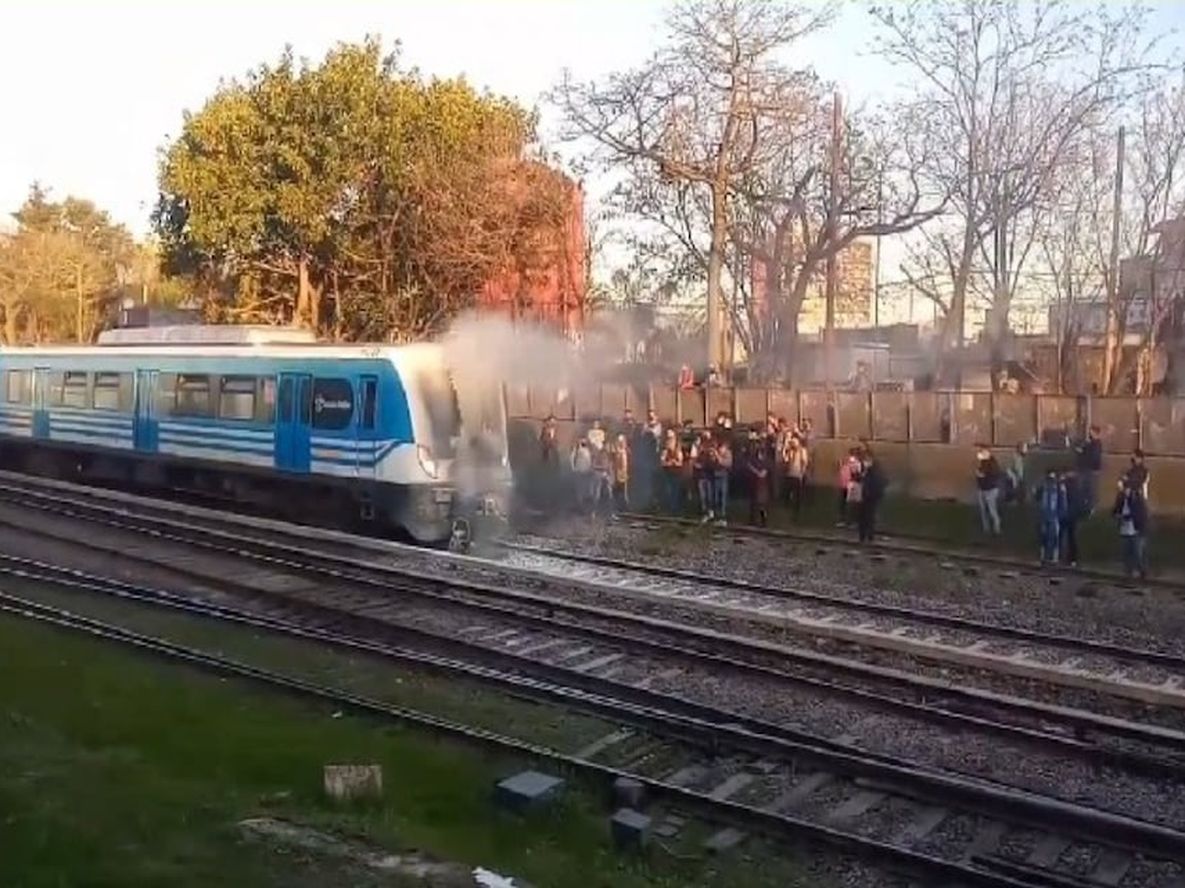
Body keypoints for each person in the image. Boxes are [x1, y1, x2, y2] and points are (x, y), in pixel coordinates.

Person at [1112, 477, 1149, 580]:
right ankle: (1128, 573)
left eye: (1122, 487)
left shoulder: (1137, 498)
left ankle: (1142, 572)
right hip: (1124, 529)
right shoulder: (1120, 497)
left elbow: (1141, 514)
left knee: (1138, 553)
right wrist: (1117, 515)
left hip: (1136, 529)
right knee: (1126, 552)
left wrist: (1128, 517)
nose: (1121, 490)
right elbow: (1115, 511)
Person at [1036, 469, 1067, 565]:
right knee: (1044, 536)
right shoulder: (1044, 488)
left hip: (1054, 516)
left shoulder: (1059, 489)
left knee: (1054, 537)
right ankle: (1043, 556)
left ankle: (1054, 557)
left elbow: (1063, 503)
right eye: (1049, 479)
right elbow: (1038, 499)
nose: (1050, 482)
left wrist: (1059, 516)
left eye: (1052, 479)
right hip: (1045, 516)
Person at [858, 451, 887, 542]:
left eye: (866, 461)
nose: (864, 463)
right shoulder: (870, 471)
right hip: (869, 497)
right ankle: (867, 536)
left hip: (869, 497)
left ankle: (865, 536)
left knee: (867, 517)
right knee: (868, 517)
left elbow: (872, 484)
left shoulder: (872, 472)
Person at [1061, 468, 1086, 567]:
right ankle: (1072, 559)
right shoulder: (1077, 488)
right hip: (1072, 516)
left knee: (1069, 538)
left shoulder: (1069, 487)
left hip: (1068, 515)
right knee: (1072, 538)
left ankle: (1069, 558)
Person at [975, 446, 1003, 536]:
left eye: (983, 452)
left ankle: (997, 528)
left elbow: (993, 474)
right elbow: (979, 474)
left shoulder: (992, 463)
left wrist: (983, 475)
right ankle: (986, 529)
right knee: (983, 510)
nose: (981, 454)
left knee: (992, 510)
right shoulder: (982, 462)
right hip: (982, 489)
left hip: (991, 489)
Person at [1075, 425, 1103, 514]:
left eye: (1091, 432)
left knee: (1089, 491)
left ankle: (1090, 509)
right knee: (1084, 491)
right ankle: (1085, 508)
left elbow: (1092, 457)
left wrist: (1082, 452)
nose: (1090, 434)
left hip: (1090, 471)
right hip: (1086, 470)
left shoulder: (1096, 444)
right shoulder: (1090, 443)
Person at [745, 431, 771, 527]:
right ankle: (753, 520)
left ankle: (763, 521)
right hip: (755, 484)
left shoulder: (766, 461)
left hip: (762, 484)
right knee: (753, 503)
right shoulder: (754, 459)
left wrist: (755, 471)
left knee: (761, 504)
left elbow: (763, 473)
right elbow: (748, 466)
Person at [783, 434, 808, 518]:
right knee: (787, 491)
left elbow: (804, 463)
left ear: (798, 441)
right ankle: (787, 507)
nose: (793, 443)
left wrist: (802, 473)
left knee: (798, 494)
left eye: (794, 441)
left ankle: (797, 511)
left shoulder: (802, 451)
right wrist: (785, 450)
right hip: (790, 473)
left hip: (797, 475)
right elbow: (786, 460)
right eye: (792, 442)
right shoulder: (790, 450)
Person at [694, 431, 718, 522]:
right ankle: (704, 513)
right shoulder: (699, 449)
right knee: (702, 496)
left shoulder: (710, 448)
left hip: (708, 474)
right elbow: (696, 460)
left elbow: (711, 462)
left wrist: (702, 465)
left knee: (709, 495)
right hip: (701, 475)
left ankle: (710, 512)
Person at [659, 429, 684, 513]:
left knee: (675, 491)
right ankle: (670, 509)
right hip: (667, 472)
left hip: (676, 472)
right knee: (668, 491)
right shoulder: (665, 449)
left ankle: (675, 509)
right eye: (668, 437)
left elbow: (680, 462)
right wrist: (669, 462)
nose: (670, 440)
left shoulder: (678, 448)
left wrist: (675, 462)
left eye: (671, 437)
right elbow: (662, 462)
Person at [837, 448, 861, 527]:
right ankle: (843, 520)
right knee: (843, 504)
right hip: (844, 485)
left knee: (851, 504)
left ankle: (852, 521)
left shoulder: (857, 464)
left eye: (853, 455)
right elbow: (842, 472)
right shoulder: (846, 463)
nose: (851, 456)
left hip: (851, 486)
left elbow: (856, 474)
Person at [714, 431, 733, 525]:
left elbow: (727, 464)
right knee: (716, 497)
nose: (720, 449)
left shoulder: (728, 454)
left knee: (723, 498)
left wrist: (718, 457)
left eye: (722, 447)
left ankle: (723, 517)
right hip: (716, 476)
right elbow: (713, 464)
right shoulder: (715, 452)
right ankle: (717, 516)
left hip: (723, 477)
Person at [590, 439, 614, 513]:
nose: (608, 447)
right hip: (599, 475)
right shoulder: (599, 454)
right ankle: (594, 511)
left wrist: (610, 474)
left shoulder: (609, 454)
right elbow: (593, 465)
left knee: (609, 493)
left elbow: (609, 465)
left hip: (606, 475)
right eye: (606, 445)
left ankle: (609, 511)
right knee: (597, 494)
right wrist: (602, 468)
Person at [570, 438, 593, 512]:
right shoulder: (578, 451)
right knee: (580, 490)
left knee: (582, 490)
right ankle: (581, 506)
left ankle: (582, 506)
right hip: (580, 471)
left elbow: (589, 462)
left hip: (584, 472)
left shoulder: (586, 451)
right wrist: (573, 468)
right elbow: (572, 459)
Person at [610, 433, 630, 512]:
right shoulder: (617, 452)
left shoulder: (624, 451)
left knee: (623, 491)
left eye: (622, 441)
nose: (620, 443)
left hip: (622, 474)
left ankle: (624, 507)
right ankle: (618, 507)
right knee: (617, 491)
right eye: (619, 441)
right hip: (617, 473)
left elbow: (624, 464)